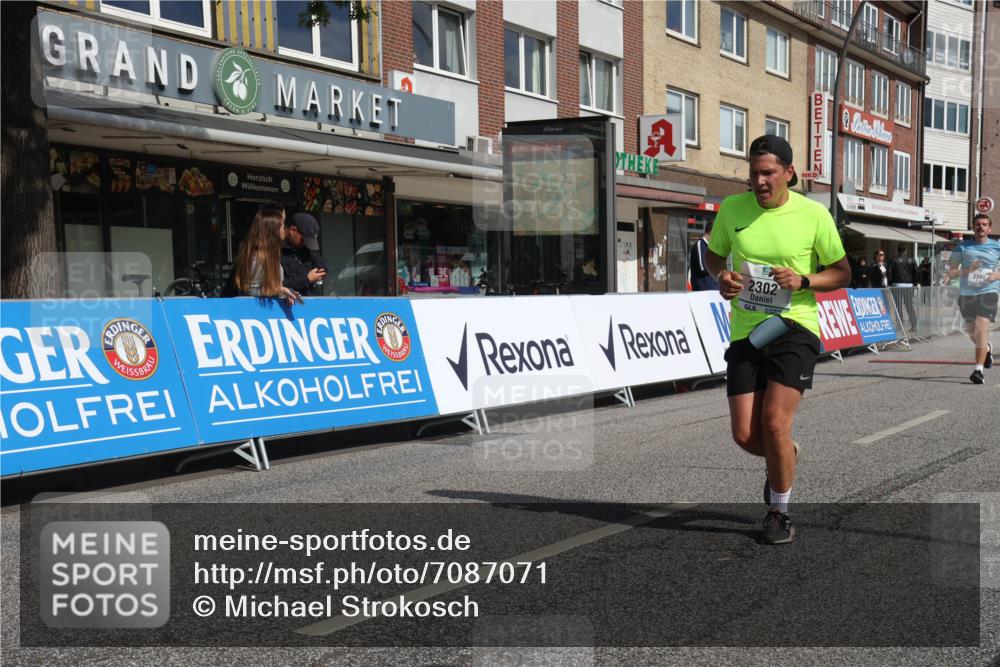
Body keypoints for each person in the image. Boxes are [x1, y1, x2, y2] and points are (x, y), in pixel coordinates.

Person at [705, 134, 850, 545]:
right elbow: (714, 254)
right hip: (746, 330)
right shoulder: (733, 208)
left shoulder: (813, 215)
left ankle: (779, 511)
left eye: (768, 173)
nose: (760, 181)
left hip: (795, 327)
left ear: (790, 173)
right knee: (745, 436)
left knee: (773, 424)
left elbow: (842, 272)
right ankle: (785, 454)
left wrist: (805, 279)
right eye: (754, 173)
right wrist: (722, 276)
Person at [942, 213, 1000, 384]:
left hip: (988, 292)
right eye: (977, 224)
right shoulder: (962, 247)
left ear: (989, 228)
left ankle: (978, 370)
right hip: (967, 295)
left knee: (982, 328)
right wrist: (969, 270)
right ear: (973, 227)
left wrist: (997, 275)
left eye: (984, 224)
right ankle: (987, 349)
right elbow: (951, 272)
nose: (980, 227)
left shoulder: (997, 246)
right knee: (973, 334)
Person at [231, 209, 302, 306]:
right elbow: (251, 292)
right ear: (273, 231)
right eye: (282, 226)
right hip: (255, 315)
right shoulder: (256, 256)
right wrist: (280, 291)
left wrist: (287, 294)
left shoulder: (272, 254)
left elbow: (274, 287)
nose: (284, 229)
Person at [281, 212, 329, 297]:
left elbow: (318, 260)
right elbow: (278, 286)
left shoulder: (307, 249)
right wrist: (307, 279)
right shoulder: (278, 252)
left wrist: (322, 269)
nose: (306, 244)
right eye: (304, 240)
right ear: (293, 230)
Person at [890, 243, 919, 331]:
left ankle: (899, 324)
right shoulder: (911, 259)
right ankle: (914, 325)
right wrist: (915, 283)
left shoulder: (894, 259)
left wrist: (890, 283)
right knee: (909, 305)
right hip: (909, 285)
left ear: (897, 250)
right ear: (905, 251)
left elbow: (889, 272)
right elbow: (916, 272)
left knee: (898, 306)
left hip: (896, 285)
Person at [689, 220, 718, 291]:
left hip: (714, 288)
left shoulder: (712, 247)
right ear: (712, 231)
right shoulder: (700, 244)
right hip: (703, 290)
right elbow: (703, 267)